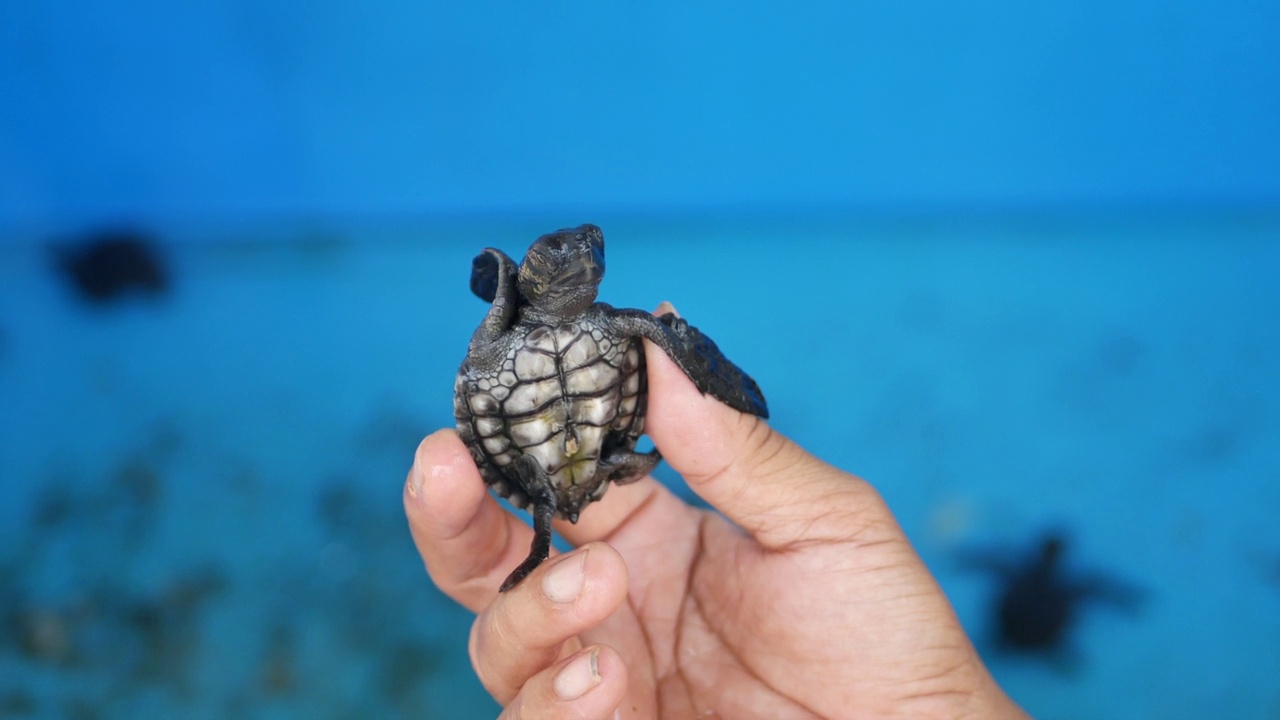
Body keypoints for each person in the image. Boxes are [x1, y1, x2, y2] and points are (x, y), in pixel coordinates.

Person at [405, 307, 1032, 719]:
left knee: (660, 349)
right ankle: (547, 542)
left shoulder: (612, 323)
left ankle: (593, 490)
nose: (584, 262)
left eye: (592, 255)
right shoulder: (503, 331)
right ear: (523, 279)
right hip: (559, 470)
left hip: (607, 455)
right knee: (531, 500)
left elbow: (669, 343)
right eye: (561, 258)